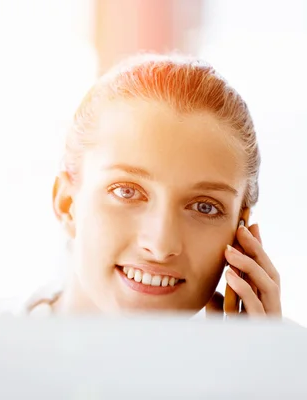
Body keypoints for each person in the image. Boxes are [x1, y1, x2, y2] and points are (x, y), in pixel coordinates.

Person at [17, 53, 282, 319]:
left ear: (240, 233)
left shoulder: (283, 356)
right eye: (126, 191)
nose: (160, 246)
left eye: (205, 207)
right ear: (67, 204)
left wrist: (257, 357)